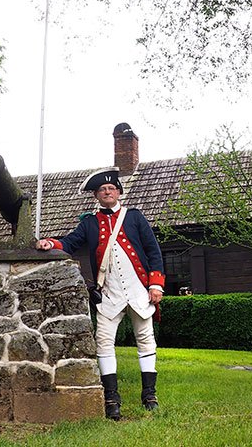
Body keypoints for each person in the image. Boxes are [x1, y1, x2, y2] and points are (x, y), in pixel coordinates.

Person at [35, 167, 165, 420]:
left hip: (139, 290)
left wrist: (155, 284)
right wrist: (51, 243)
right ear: (96, 195)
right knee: (104, 342)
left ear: (118, 192)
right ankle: (111, 398)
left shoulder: (135, 217)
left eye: (111, 188)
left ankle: (150, 394)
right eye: (102, 190)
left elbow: (153, 251)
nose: (107, 192)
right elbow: (70, 242)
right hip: (109, 293)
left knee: (146, 339)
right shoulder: (90, 223)